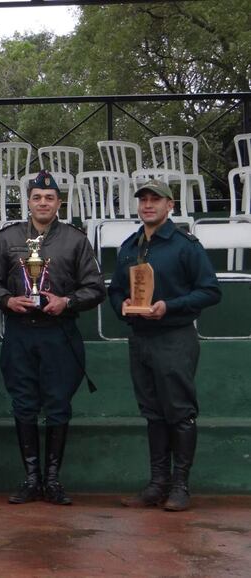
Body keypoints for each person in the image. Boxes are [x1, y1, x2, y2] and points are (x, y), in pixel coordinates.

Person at [0, 170, 105, 506]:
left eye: (49, 198)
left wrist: (67, 301)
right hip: (20, 333)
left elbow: (95, 288)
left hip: (59, 333)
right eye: (37, 197)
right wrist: (7, 300)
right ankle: (31, 479)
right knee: (23, 405)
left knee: (58, 406)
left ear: (59, 203)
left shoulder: (75, 240)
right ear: (29, 202)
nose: (43, 202)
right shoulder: (7, 239)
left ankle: (52, 480)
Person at [109, 180, 220, 512]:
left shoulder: (185, 245)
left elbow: (211, 291)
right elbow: (114, 290)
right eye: (142, 199)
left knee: (180, 413)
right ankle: (157, 484)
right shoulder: (130, 246)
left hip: (174, 337)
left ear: (170, 205)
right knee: (153, 414)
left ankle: (180, 485)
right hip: (140, 336)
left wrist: (169, 306)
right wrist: (123, 305)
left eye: (155, 199)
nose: (147, 204)